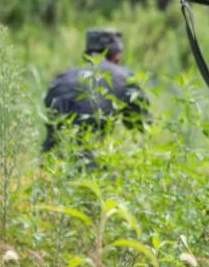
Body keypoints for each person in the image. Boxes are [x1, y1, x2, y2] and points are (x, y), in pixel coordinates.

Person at [42, 28, 149, 167]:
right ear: (117, 56)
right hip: (96, 168)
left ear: (86, 55)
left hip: (55, 167)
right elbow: (142, 127)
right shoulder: (125, 77)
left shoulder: (62, 78)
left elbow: (52, 136)